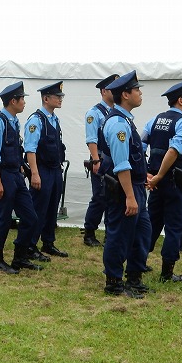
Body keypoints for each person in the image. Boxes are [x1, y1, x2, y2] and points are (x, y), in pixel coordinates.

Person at [98, 70, 151, 297]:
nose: (140, 93)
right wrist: (130, 195)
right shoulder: (119, 124)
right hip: (124, 189)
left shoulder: (126, 120)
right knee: (120, 235)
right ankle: (114, 281)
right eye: (137, 90)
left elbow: (134, 158)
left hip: (136, 186)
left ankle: (134, 277)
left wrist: (143, 176)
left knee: (142, 233)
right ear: (126, 95)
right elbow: (121, 164)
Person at [143, 80, 182, 283]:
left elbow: (140, 144)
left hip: (155, 182)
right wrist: (159, 175)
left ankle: (139, 261)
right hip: (174, 181)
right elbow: (173, 151)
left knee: (152, 222)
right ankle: (167, 272)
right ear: (180, 100)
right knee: (174, 226)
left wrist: (147, 174)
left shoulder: (155, 120)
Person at [0, 82, 41, 274]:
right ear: (13, 101)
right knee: (3, 217)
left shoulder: (14, 121)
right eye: (22, 99)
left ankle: (20, 256)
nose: (24, 102)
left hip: (15, 175)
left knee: (30, 217)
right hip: (3, 175)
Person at [24, 81, 69, 260]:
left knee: (52, 208)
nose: (60, 99)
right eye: (57, 97)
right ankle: (30, 245)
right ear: (46, 98)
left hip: (55, 169)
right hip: (42, 170)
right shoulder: (36, 120)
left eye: (60, 96)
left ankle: (48, 242)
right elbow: (30, 149)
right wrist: (34, 173)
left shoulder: (54, 119)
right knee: (38, 209)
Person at [82, 74, 119, 247]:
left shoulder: (115, 111)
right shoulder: (94, 112)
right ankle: (89, 232)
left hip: (114, 161)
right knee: (100, 196)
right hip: (101, 159)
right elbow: (91, 139)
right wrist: (96, 161)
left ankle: (110, 233)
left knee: (113, 197)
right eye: (113, 88)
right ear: (104, 91)